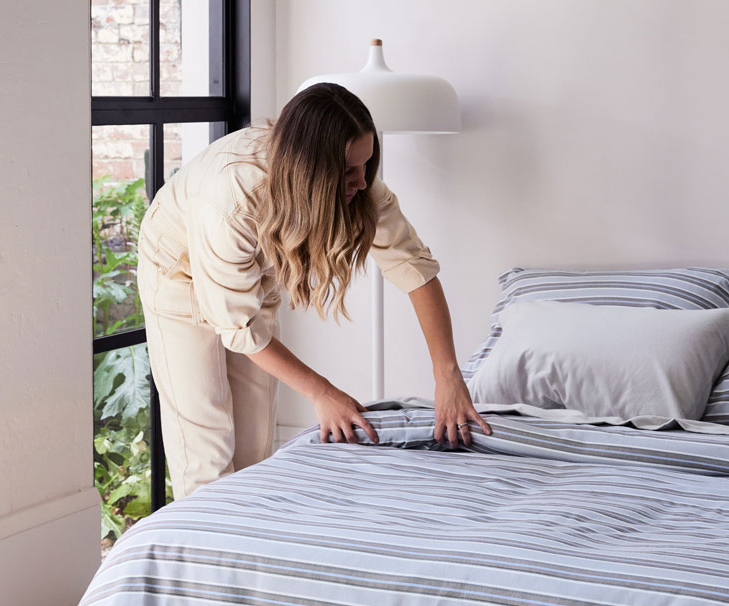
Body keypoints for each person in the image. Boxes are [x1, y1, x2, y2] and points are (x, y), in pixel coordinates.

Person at [137, 82, 490, 499]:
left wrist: (447, 375)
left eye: (367, 164)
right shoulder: (230, 198)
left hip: (248, 273)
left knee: (253, 449)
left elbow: (414, 267)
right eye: (348, 172)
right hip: (179, 273)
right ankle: (205, 555)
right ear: (312, 170)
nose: (362, 182)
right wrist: (322, 393)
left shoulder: (358, 180)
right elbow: (240, 328)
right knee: (206, 454)